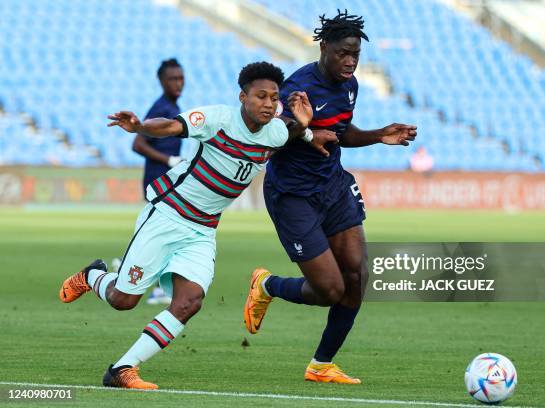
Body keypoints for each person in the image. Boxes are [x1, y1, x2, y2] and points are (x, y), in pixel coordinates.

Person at [59, 62, 336, 390]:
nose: (267, 103)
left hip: (203, 229)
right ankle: (93, 275)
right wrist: (140, 127)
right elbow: (171, 127)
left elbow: (288, 130)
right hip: (167, 215)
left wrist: (306, 131)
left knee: (189, 302)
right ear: (242, 97)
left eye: (274, 98)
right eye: (260, 96)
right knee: (124, 299)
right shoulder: (217, 118)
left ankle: (122, 369)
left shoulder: (275, 130)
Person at [243, 10, 418, 384]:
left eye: (355, 53)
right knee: (329, 290)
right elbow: (276, 137)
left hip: (334, 187)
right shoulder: (296, 89)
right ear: (324, 48)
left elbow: (340, 132)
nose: (350, 61)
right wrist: (303, 129)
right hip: (294, 196)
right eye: (343, 53)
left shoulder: (350, 85)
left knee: (356, 276)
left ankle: (321, 365)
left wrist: (378, 134)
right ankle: (267, 285)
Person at [133, 58, 185, 305]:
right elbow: (138, 143)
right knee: (165, 234)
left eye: (180, 78)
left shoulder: (172, 106)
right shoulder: (161, 108)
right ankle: (156, 287)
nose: (178, 83)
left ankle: (131, 265)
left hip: (165, 181)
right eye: (172, 79)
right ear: (162, 81)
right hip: (158, 181)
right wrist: (169, 160)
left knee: (163, 232)